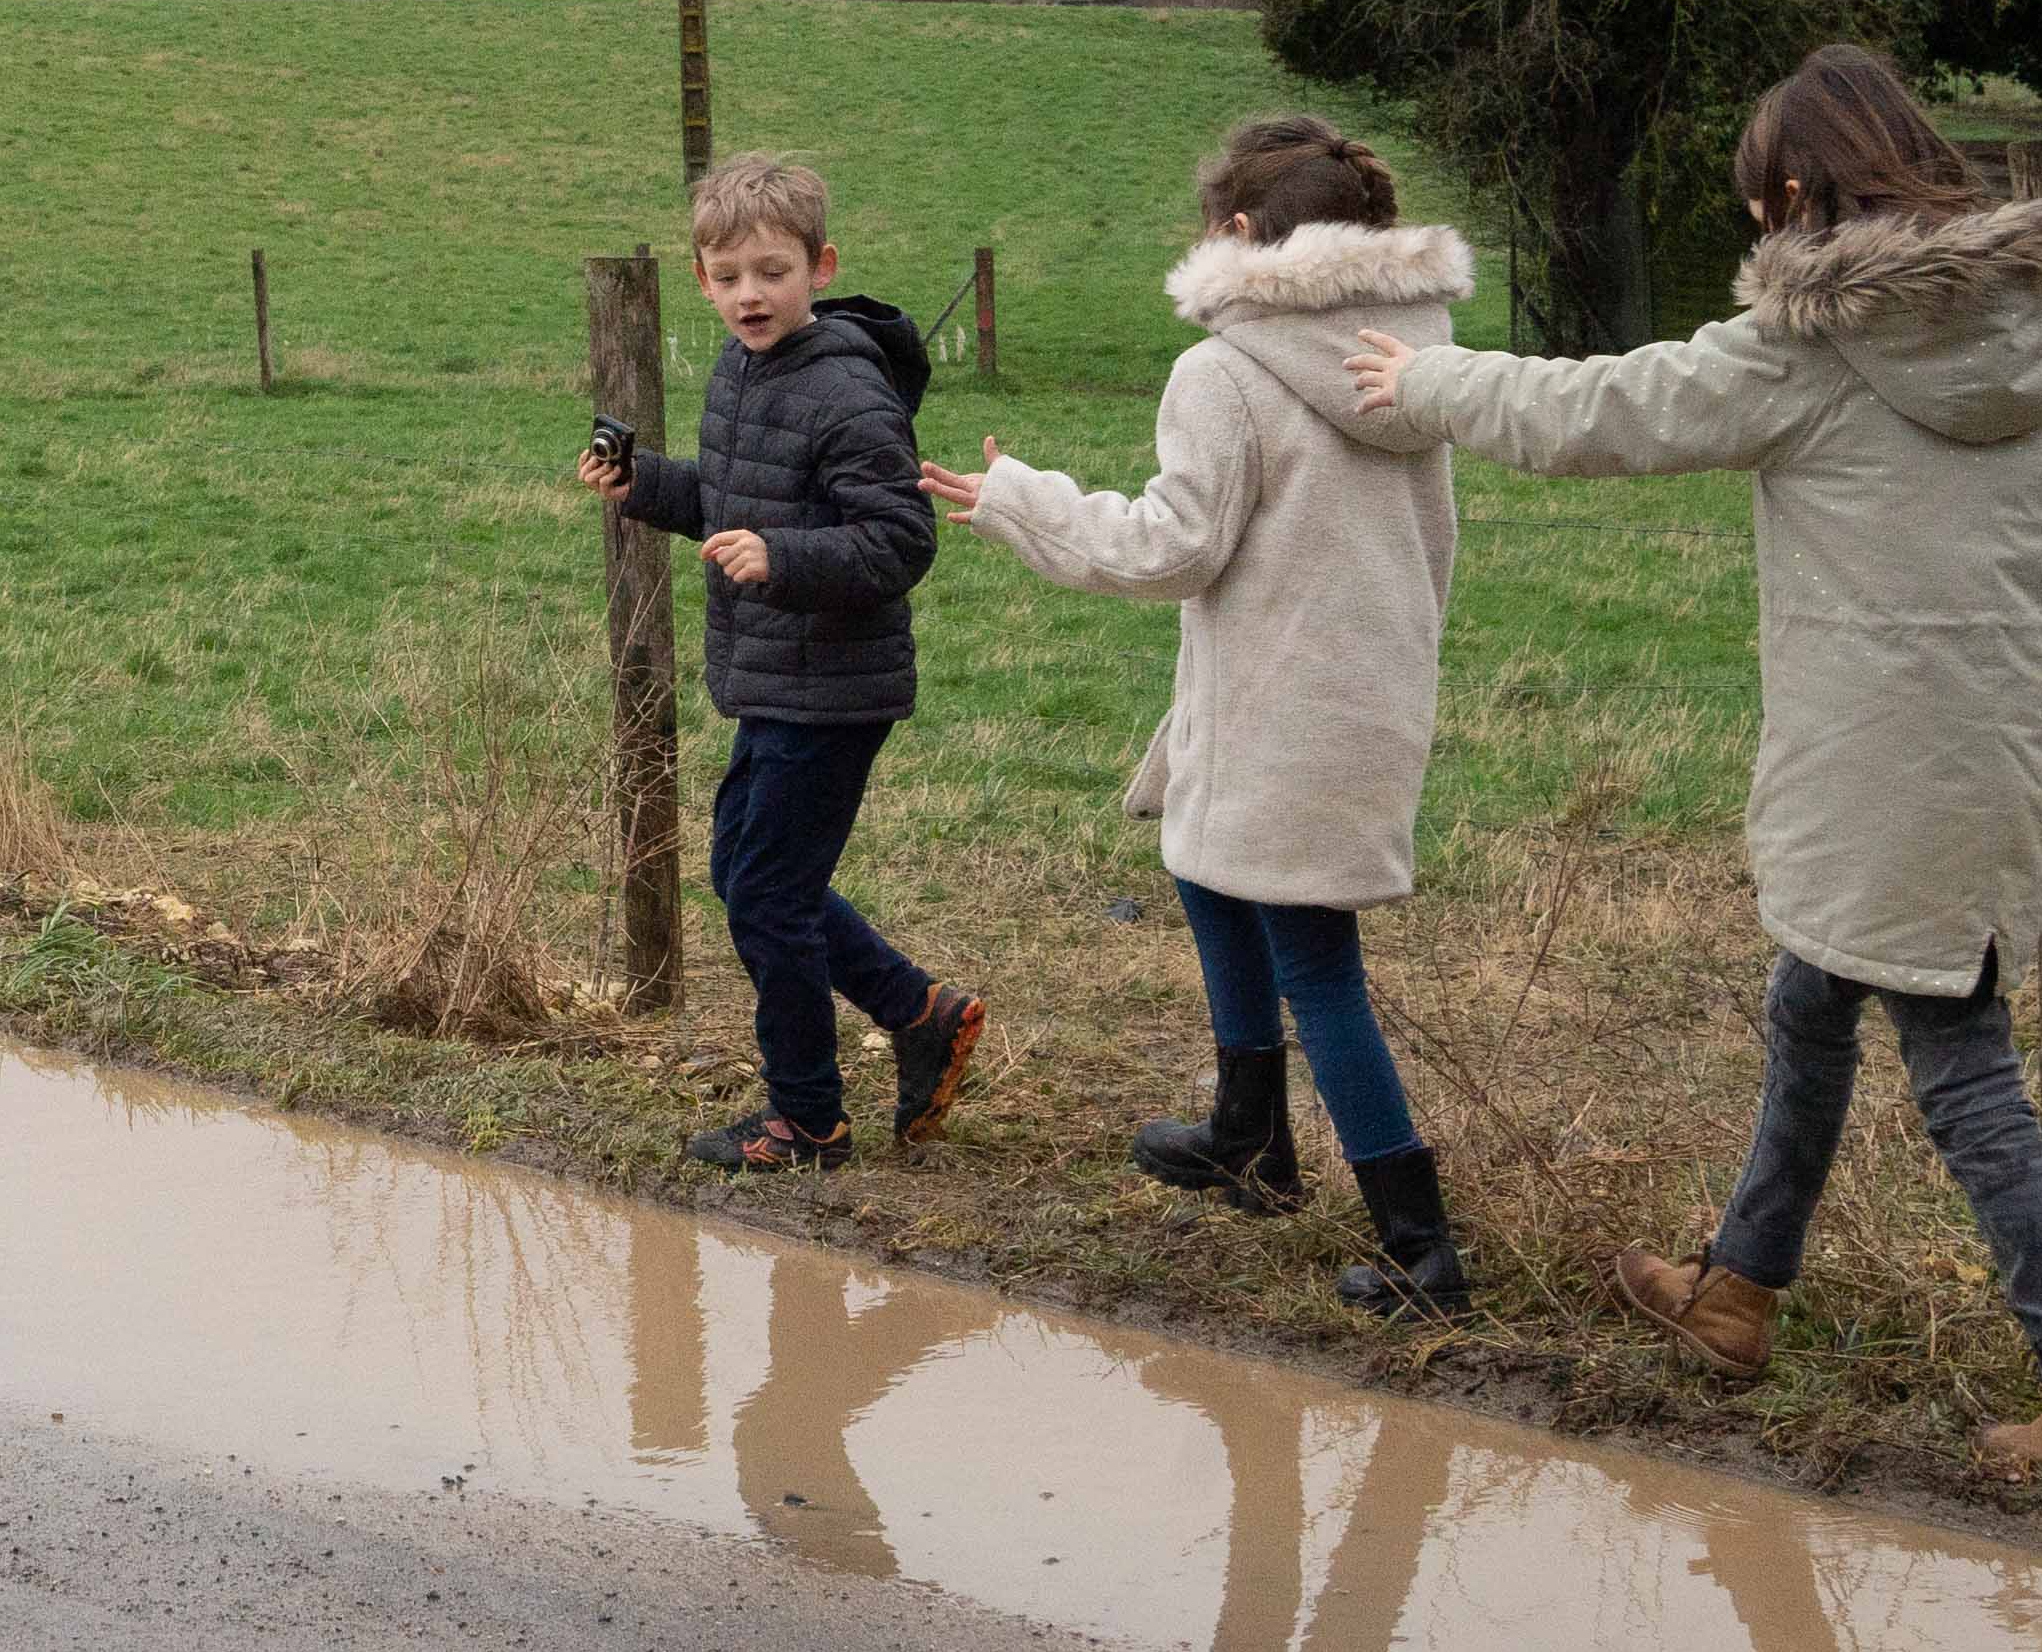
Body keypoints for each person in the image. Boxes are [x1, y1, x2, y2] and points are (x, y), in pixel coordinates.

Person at [1350, 46, 2042, 1482]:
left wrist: (1428, 382)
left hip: (1865, 771)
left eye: (1756, 203)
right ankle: (1737, 1295)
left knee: (1961, 1067)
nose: (1752, 228)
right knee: (1812, 1003)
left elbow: (1595, 413)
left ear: (1800, 195)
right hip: (1991, 772)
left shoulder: (1808, 351)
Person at [924, 116, 1478, 1312]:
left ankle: (1419, 1242)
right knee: (1201, 859)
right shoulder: (1411, 361)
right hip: (1357, 695)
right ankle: (1249, 1137)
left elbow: (1173, 546)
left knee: (1318, 966)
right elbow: (1437, 542)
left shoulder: (1223, 370)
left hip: (1282, 706)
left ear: (1236, 234)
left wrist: (1024, 499)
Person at [580, 151, 979, 1173]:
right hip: (774, 672)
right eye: (727, 276)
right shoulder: (743, 369)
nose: (749, 294)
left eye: (771, 270)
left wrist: (784, 557)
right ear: (702, 277)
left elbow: (902, 540)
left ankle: (807, 1117)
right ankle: (917, 1009)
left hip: (834, 684)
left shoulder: (846, 390)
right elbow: (730, 493)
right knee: (749, 875)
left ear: (820, 264)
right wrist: (643, 484)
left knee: (765, 894)